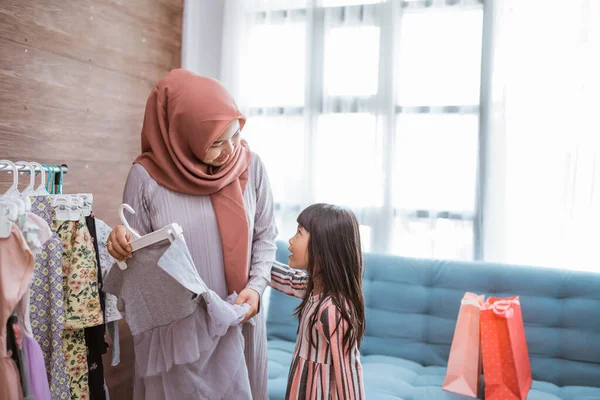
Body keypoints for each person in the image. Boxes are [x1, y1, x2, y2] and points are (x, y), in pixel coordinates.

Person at [106, 69, 277, 399]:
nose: (230, 150)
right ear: (182, 135)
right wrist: (120, 243)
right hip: (180, 335)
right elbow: (136, 253)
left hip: (239, 318)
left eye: (235, 135)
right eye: (216, 142)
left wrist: (256, 288)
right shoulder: (146, 177)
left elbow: (266, 235)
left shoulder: (251, 166)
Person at [270, 203, 366, 399]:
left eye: (298, 233)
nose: (290, 240)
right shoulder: (313, 288)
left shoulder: (332, 310)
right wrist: (256, 261)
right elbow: (287, 278)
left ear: (322, 247)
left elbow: (348, 373)